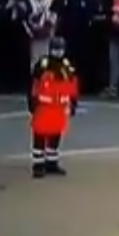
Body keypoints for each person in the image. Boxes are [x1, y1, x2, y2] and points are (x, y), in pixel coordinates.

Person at [29, 37, 79, 178]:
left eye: (61, 49)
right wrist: (32, 102)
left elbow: (73, 85)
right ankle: (38, 165)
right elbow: (34, 84)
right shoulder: (43, 65)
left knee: (56, 135)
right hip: (44, 107)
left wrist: (73, 102)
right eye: (56, 49)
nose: (58, 52)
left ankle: (52, 163)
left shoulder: (66, 65)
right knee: (40, 135)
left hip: (59, 108)